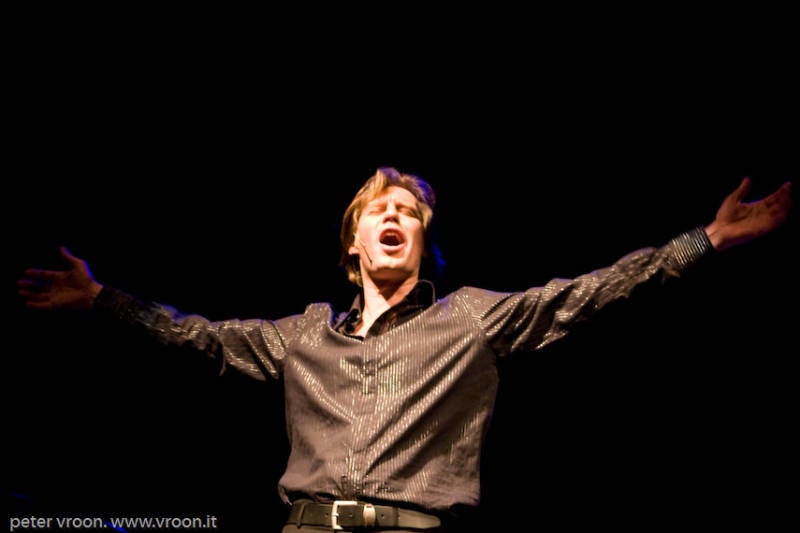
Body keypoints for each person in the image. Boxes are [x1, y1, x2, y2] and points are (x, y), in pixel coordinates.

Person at [16, 167, 793, 532]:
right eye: (378, 210)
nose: (394, 217)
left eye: (409, 212)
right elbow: (195, 335)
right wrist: (101, 299)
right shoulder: (303, 334)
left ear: (422, 239)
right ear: (353, 243)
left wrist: (707, 238)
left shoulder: (471, 318)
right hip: (310, 529)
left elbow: (593, 291)